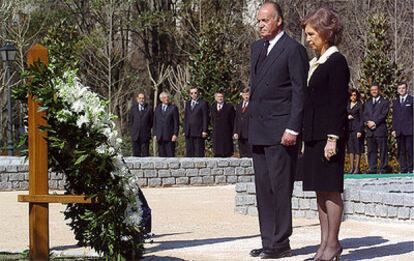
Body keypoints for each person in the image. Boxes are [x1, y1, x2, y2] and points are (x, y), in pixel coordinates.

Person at [248, 2, 308, 259]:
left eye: (264, 20)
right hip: (259, 129)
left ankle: (281, 242)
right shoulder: (256, 48)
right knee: (263, 188)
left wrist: (293, 127)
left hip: (281, 130)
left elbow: (299, 91)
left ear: (278, 21)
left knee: (280, 187)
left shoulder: (293, 49)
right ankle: (268, 239)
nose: (260, 24)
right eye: (258, 20)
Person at [302, 7, 349, 261]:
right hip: (313, 135)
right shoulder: (316, 62)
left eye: (311, 33)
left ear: (325, 32)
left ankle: (333, 245)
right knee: (320, 190)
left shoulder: (337, 62)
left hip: (328, 138)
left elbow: (338, 103)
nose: (308, 39)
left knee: (331, 189)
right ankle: (323, 246)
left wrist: (333, 138)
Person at [363, 84, 390, 173]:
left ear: (379, 90)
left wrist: (374, 122)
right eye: (372, 90)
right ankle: (372, 168)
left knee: (383, 150)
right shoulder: (367, 103)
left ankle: (383, 168)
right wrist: (368, 122)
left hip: (380, 130)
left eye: (375, 89)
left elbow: (383, 114)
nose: (374, 91)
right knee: (371, 150)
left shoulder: (384, 102)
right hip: (370, 131)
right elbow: (364, 115)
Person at [392, 83, 413, 173]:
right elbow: (394, 116)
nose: (401, 90)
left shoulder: (412, 100)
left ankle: (411, 168)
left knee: (410, 149)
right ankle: (403, 168)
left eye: (403, 88)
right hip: (399, 130)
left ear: (406, 89)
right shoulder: (395, 101)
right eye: (399, 88)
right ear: (397, 90)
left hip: (409, 130)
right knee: (401, 150)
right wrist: (393, 129)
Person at [184, 87, 209, 157]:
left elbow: (205, 117)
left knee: (199, 152)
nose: (194, 94)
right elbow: (186, 117)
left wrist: (204, 130)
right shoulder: (188, 103)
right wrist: (185, 129)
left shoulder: (203, 103)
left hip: (199, 131)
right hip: (189, 132)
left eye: (195, 93)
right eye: (192, 93)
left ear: (198, 93)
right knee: (189, 152)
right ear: (190, 94)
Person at [153, 92, 179, 157]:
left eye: (167, 97)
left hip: (169, 136)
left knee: (170, 155)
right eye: (164, 98)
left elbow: (176, 122)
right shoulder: (157, 108)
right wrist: (155, 134)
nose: (167, 99)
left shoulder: (173, 108)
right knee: (161, 156)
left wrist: (175, 134)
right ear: (161, 99)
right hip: (160, 136)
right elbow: (155, 122)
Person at [211, 91, 235, 157]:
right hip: (217, 134)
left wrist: (234, 132)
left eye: (221, 96)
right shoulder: (213, 107)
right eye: (218, 97)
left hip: (226, 134)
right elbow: (212, 120)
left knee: (227, 153)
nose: (220, 98)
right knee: (217, 154)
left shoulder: (229, 107)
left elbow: (233, 121)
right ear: (215, 98)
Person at [129, 92, 153, 157]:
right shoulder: (133, 108)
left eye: (143, 98)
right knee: (136, 155)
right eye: (140, 98)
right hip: (135, 135)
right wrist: (132, 132)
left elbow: (151, 122)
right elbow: (131, 121)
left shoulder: (149, 108)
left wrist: (148, 130)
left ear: (145, 99)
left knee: (145, 155)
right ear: (137, 99)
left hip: (145, 136)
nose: (141, 100)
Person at [346, 89, 364, 174]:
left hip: (357, 129)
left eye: (354, 95)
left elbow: (362, 119)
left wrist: (360, 130)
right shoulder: (347, 105)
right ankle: (351, 168)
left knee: (357, 149)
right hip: (349, 130)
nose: (353, 97)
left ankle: (357, 168)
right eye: (351, 95)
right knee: (350, 149)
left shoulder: (360, 105)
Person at [233, 87, 252, 157]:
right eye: (245, 94)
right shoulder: (239, 105)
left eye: (247, 94)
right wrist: (235, 131)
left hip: (249, 133)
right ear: (242, 95)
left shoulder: (252, 105)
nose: (246, 96)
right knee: (242, 153)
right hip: (240, 133)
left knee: (250, 154)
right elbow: (236, 119)